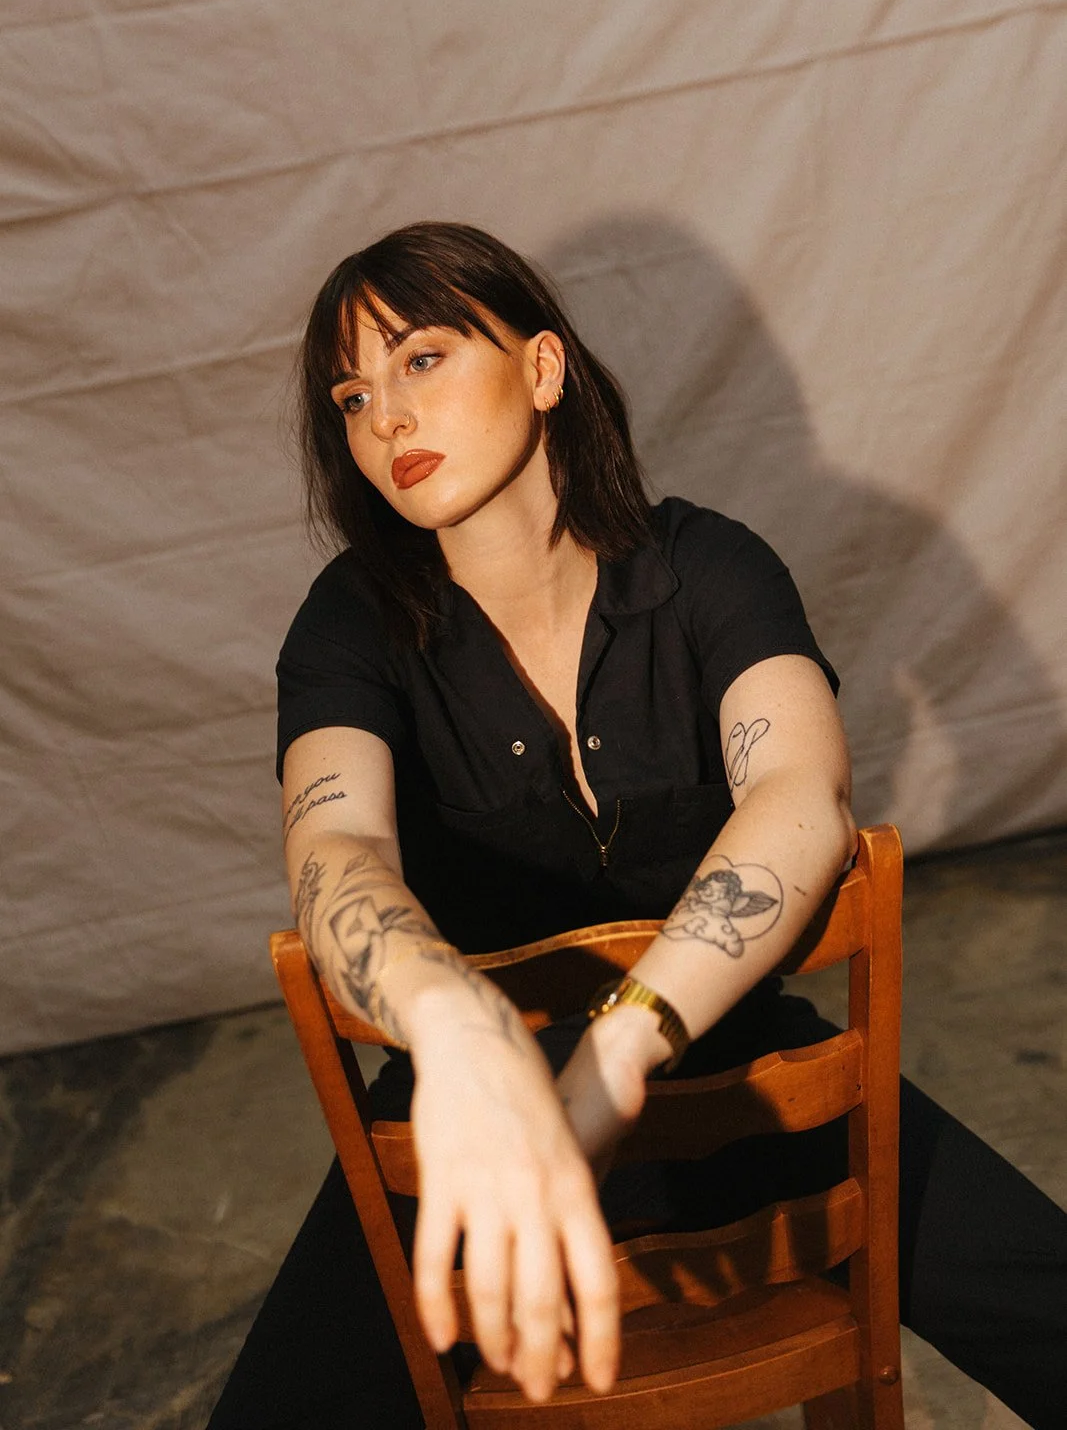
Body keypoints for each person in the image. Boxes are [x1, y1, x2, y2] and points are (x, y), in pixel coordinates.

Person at [208, 222, 1065, 1429]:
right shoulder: (349, 623)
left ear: (542, 368)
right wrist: (459, 1031)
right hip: (476, 1123)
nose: (385, 416)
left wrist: (618, 1054)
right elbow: (334, 850)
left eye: (420, 359)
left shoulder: (707, 565)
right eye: (351, 396)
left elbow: (799, 796)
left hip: (741, 1074)